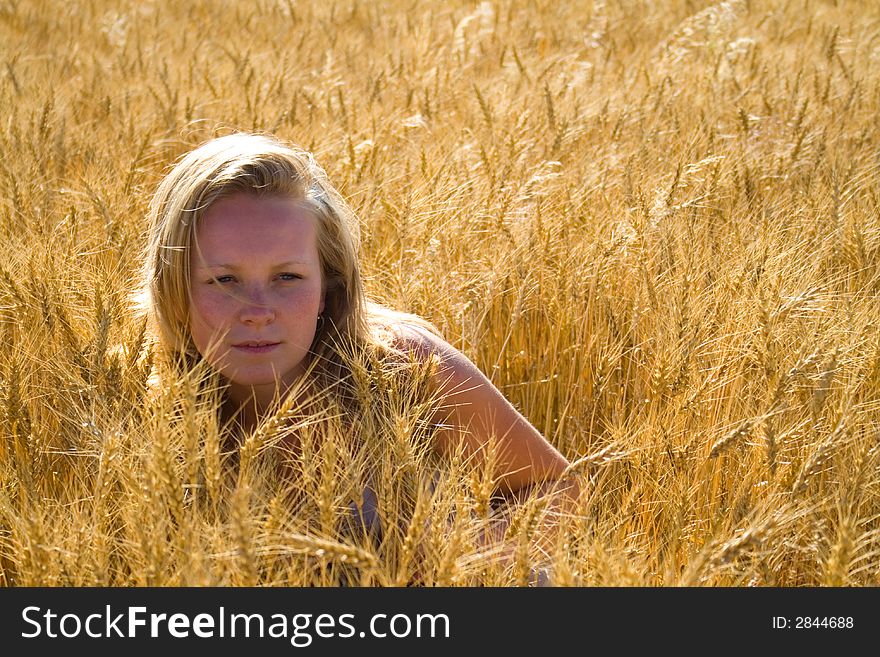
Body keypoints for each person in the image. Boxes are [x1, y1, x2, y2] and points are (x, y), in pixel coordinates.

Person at [139, 132, 578, 582]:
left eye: (287, 276)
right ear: (174, 287)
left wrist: (456, 555)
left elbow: (561, 490)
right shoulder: (139, 398)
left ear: (329, 288)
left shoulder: (408, 371)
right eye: (223, 280)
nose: (257, 312)